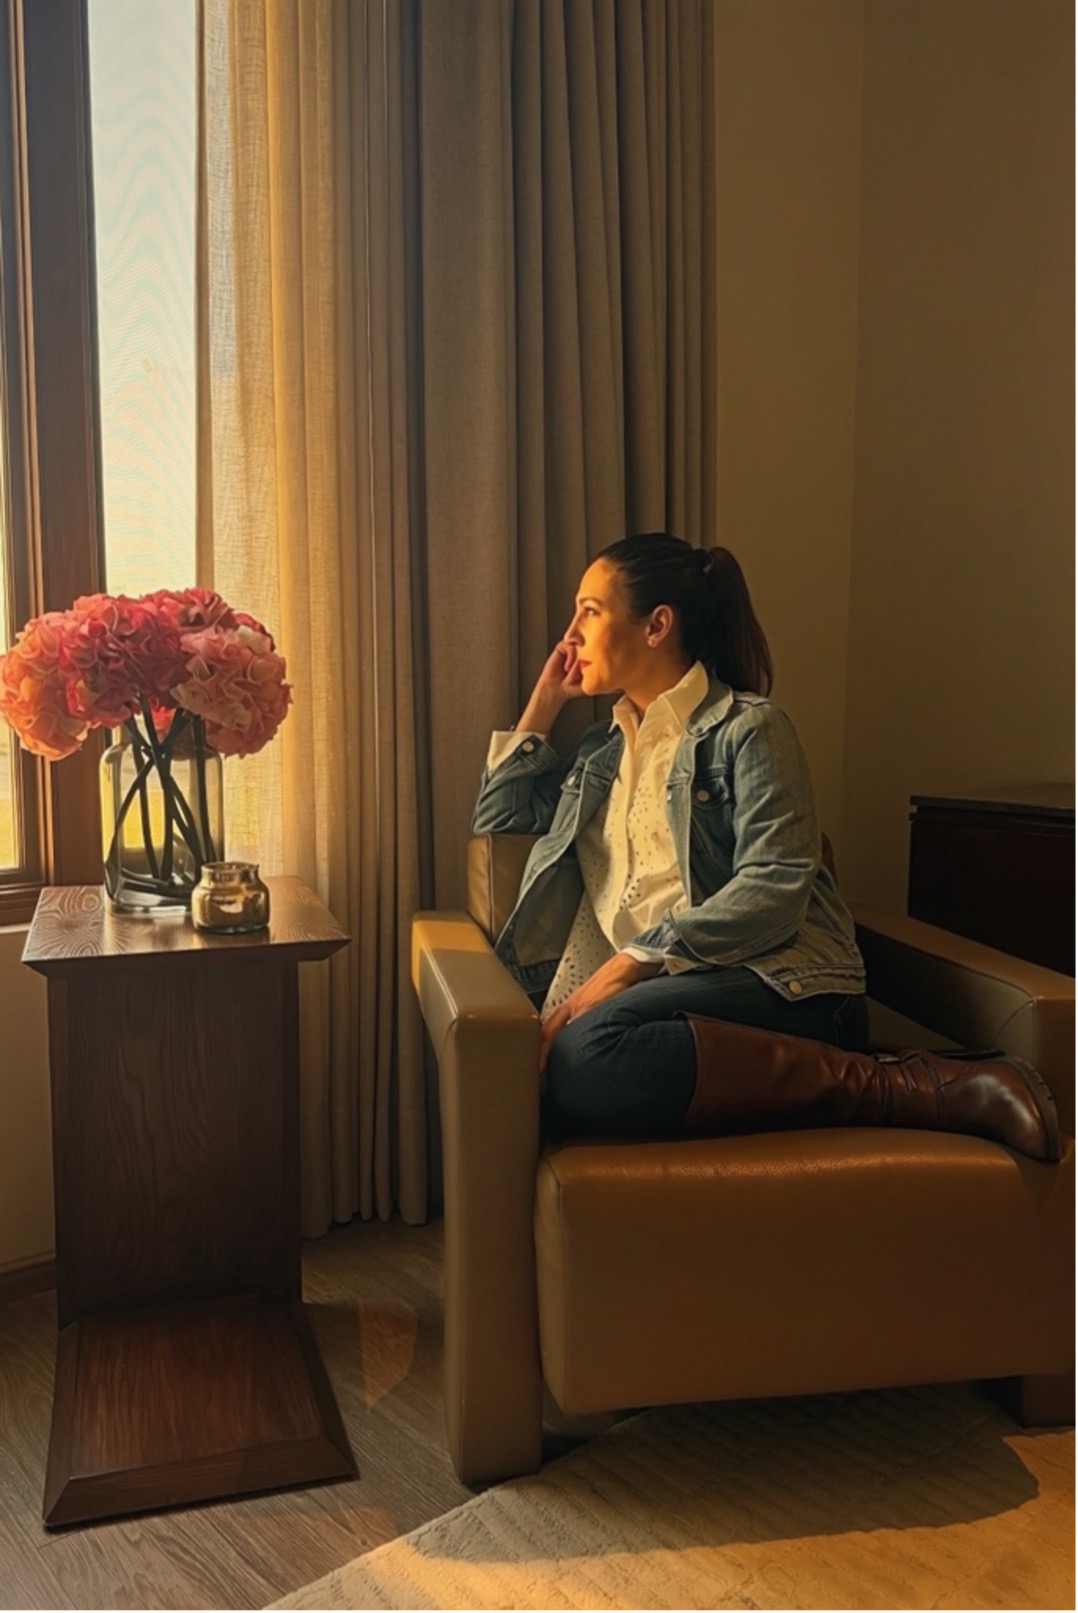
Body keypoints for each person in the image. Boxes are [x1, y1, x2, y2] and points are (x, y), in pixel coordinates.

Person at [471, 532, 1059, 1161]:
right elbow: (500, 814)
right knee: (566, 1066)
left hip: (783, 987)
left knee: (586, 1053)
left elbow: (774, 886)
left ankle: (906, 1085)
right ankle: (876, 1083)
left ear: (656, 625)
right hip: (667, 1003)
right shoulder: (601, 755)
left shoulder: (750, 729)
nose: (570, 635)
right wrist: (546, 700)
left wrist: (630, 963)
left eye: (589, 611)